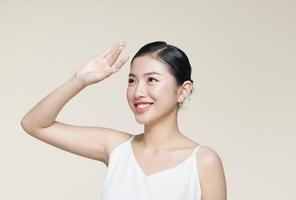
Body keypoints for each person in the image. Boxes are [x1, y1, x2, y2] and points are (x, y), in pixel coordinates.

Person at [20, 41, 227, 200]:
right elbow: (34, 124)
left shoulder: (202, 162)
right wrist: (79, 80)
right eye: (131, 81)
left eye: (152, 80)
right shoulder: (116, 148)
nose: (138, 92)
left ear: (183, 90)